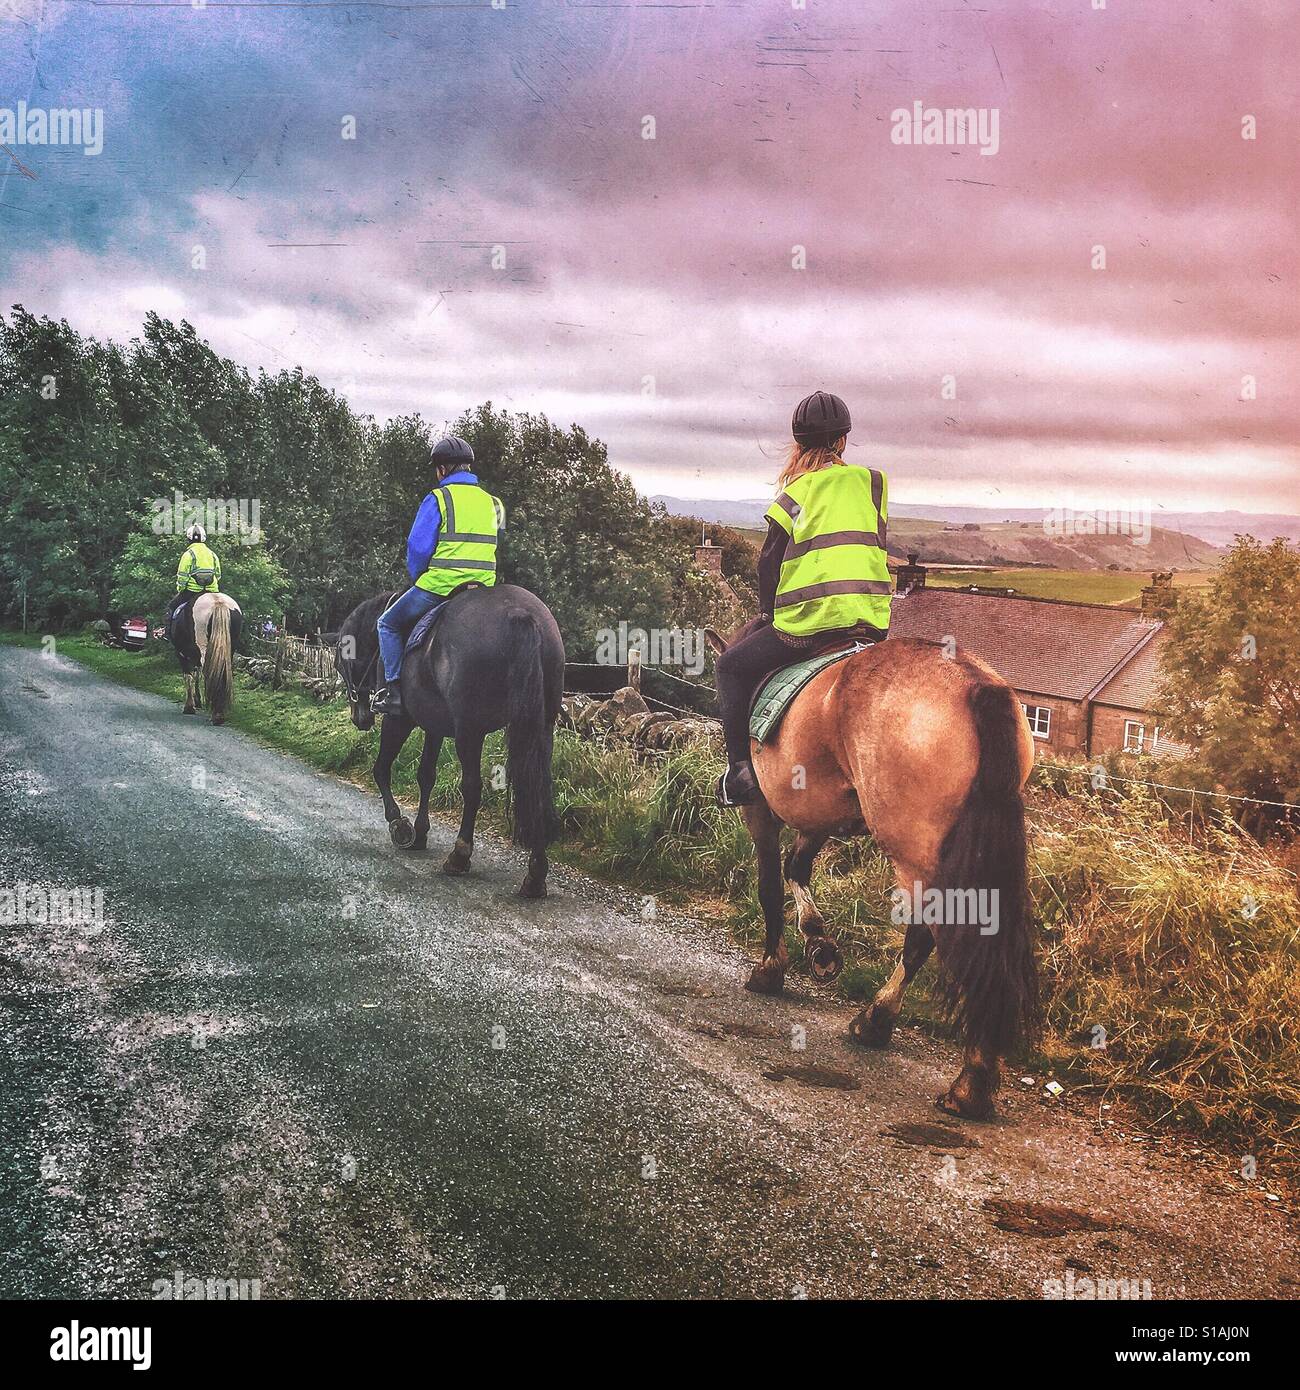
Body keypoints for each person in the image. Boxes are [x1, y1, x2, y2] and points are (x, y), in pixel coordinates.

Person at [714, 391, 892, 806]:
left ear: (799, 444)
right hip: (871, 622)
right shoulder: (873, 485)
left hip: (810, 627)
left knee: (730, 666)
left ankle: (740, 773)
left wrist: (766, 614)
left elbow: (768, 564)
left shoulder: (796, 494)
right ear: (843, 442)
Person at [372, 436, 504, 718]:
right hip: (484, 590)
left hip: (440, 586)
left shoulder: (438, 498)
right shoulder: (495, 504)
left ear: (443, 470)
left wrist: (420, 576)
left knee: (387, 624)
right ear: (468, 467)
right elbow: (497, 539)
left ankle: (393, 694)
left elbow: (417, 547)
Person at [165, 523, 221, 641]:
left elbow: (182, 575)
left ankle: (168, 634)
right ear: (204, 538)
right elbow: (218, 574)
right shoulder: (212, 554)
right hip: (212, 591)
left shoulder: (188, 554)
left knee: (171, 606)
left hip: (192, 591)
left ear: (189, 539)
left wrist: (181, 589)